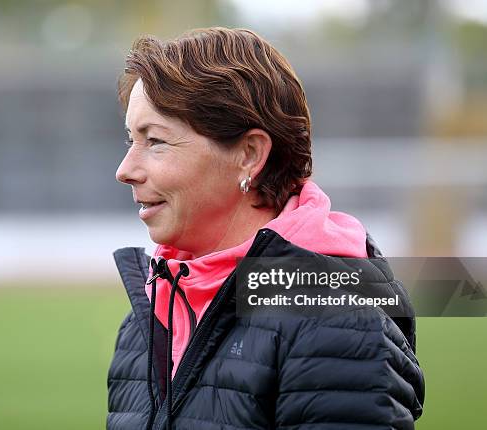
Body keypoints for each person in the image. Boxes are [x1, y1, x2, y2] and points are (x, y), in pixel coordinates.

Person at [108, 27, 424, 430]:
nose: (125, 171)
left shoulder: (336, 321)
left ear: (249, 154)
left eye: (155, 141)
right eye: (130, 140)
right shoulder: (148, 318)